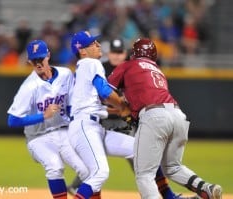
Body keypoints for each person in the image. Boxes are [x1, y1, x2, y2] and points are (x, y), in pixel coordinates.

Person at [67, 36, 198, 199]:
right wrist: (122, 106)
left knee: (139, 148)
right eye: (93, 43)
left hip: (91, 125)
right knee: (100, 172)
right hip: (85, 126)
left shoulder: (80, 70)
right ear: (82, 51)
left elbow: (91, 105)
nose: (98, 44)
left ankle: (169, 196)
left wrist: (121, 108)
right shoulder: (91, 63)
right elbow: (105, 92)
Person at [108, 38, 222, 199]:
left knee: (144, 174)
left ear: (134, 53)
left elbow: (106, 90)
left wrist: (120, 106)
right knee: (173, 167)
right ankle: (205, 188)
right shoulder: (157, 70)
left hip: (154, 115)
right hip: (178, 115)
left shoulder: (128, 65)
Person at [7, 39, 89, 199]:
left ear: (48, 56)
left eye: (41, 58)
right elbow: (12, 120)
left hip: (64, 132)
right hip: (38, 138)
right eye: (34, 60)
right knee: (54, 166)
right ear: (29, 61)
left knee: (87, 169)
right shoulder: (29, 87)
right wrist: (43, 116)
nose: (38, 63)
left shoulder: (65, 74)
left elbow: (72, 104)